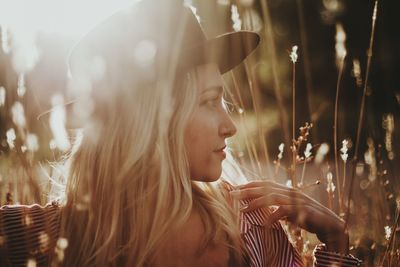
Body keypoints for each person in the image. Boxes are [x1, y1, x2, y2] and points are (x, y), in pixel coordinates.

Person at [60, 0, 361, 266]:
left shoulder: (252, 227)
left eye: (222, 101)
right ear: (151, 121)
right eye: (208, 101)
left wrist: (335, 245)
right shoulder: (50, 232)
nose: (230, 127)